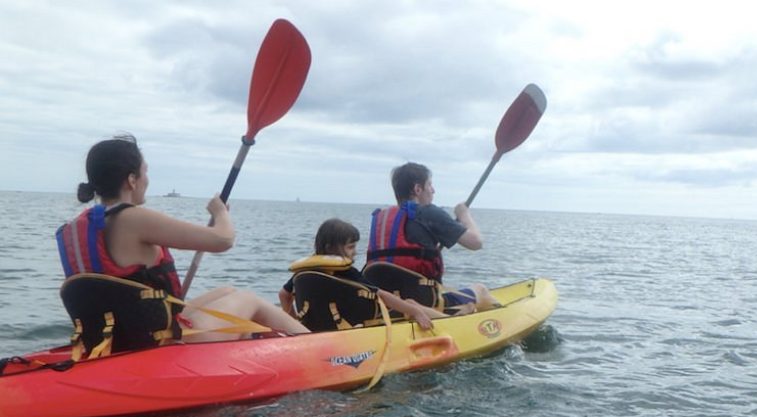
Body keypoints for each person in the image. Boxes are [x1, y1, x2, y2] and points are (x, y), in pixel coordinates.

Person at [58, 134, 309, 347]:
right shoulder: (132, 218)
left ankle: (263, 350)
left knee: (228, 292)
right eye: (145, 173)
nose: (147, 180)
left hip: (118, 337)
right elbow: (223, 240)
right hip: (161, 341)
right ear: (132, 180)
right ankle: (320, 347)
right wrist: (220, 213)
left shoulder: (83, 224)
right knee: (248, 299)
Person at [366, 162, 498, 312]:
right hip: (424, 302)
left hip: (384, 304)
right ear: (417, 189)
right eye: (429, 185)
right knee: (480, 289)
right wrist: (463, 214)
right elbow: (476, 242)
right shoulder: (428, 212)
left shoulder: (380, 219)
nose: (433, 190)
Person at [280, 218, 445, 330]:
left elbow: (284, 295)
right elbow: (381, 295)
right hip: (351, 325)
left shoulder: (304, 271)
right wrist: (414, 311)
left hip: (318, 327)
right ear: (331, 247)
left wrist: (294, 322)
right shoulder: (346, 271)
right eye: (350, 247)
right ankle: (451, 324)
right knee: (410, 303)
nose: (355, 252)